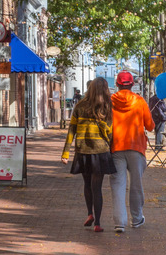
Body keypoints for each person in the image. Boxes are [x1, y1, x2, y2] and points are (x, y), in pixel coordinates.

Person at [61, 77, 116, 232]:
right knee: (97, 187)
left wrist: (65, 153)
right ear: (105, 89)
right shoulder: (107, 107)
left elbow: (71, 129)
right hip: (100, 152)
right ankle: (98, 223)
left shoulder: (80, 105)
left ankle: (89, 214)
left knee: (87, 185)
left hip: (83, 151)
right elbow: (109, 132)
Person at [110, 71, 154, 233]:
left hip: (116, 147)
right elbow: (150, 126)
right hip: (136, 147)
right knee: (136, 185)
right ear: (132, 84)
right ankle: (136, 218)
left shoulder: (110, 101)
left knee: (117, 185)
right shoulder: (139, 101)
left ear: (117, 84)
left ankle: (119, 222)